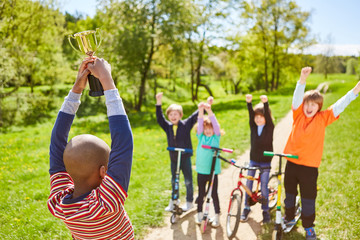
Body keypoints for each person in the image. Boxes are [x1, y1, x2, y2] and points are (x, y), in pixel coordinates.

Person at [47, 57, 134, 240]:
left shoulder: (60, 202)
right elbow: (123, 142)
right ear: (103, 172)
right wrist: (106, 80)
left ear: (67, 170)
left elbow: (56, 144)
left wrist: (77, 88)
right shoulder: (106, 203)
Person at [283, 67, 360, 240]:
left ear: (319, 107)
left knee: (308, 198)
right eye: (307, 104)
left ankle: (309, 226)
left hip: (309, 167)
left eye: (314, 105)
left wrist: (355, 91)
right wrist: (302, 79)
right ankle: (288, 217)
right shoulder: (298, 115)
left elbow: (340, 104)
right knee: (289, 193)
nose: (309, 107)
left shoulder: (323, 118)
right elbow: (297, 97)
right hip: (292, 163)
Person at [156, 92, 199, 212]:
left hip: (185, 157)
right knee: (174, 179)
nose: (173, 116)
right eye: (171, 114)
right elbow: (160, 118)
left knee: (188, 180)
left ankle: (189, 201)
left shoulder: (185, 124)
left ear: (180, 115)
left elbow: (194, 117)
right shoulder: (168, 126)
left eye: (176, 114)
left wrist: (202, 108)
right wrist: (158, 102)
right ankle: (174, 200)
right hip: (174, 157)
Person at [240, 94, 274, 224]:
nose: (258, 119)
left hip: (265, 161)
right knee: (248, 183)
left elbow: (268, 119)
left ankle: (265, 210)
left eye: (261, 117)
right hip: (253, 159)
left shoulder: (269, 127)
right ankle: (246, 207)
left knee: (264, 186)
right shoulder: (253, 127)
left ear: (266, 118)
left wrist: (265, 103)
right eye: (256, 117)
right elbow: (250, 115)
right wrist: (249, 103)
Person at [194, 99, 224, 227]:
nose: (207, 130)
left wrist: (209, 110)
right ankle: (200, 214)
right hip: (201, 170)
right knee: (201, 193)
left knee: (214, 194)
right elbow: (200, 123)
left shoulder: (215, 138)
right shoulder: (201, 137)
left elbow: (216, 125)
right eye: (206, 128)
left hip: (213, 171)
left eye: (210, 128)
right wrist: (201, 111)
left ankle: (217, 215)